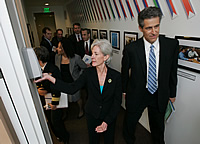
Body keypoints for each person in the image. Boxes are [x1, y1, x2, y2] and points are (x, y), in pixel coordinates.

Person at [35, 39, 122, 144]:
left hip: (109, 116)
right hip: (92, 114)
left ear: (105, 57)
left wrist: (107, 121)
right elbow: (71, 88)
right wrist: (51, 78)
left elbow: (117, 102)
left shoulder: (116, 77)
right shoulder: (87, 73)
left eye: (96, 54)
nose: (91, 56)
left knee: (109, 141)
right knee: (93, 141)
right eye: (92, 53)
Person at [121, 7, 179, 144]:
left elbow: (173, 71)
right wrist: (124, 90)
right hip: (137, 94)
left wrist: (172, 93)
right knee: (129, 125)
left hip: (160, 94)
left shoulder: (171, 45)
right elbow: (124, 72)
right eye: (149, 28)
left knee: (158, 129)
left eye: (157, 26)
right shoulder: (131, 49)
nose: (154, 32)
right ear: (141, 28)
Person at [34, 46, 69, 144]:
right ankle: (58, 136)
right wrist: (38, 90)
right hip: (44, 100)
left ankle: (65, 137)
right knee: (50, 120)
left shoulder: (53, 69)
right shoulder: (36, 69)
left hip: (54, 100)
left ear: (39, 58)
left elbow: (57, 87)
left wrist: (54, 103)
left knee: (56, 122)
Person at [55, 39, 87, 118]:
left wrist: (79, 76)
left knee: (77, 98)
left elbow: (84, 67)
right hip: (63, 82)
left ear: (64, 48)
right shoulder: (57, 57)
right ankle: (65, 113)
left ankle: (81, 110)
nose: (57, 49)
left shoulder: (76, 57)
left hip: (73, 82)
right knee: (64, 99)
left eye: (59, 47)